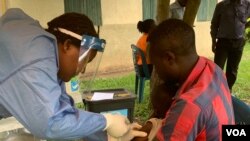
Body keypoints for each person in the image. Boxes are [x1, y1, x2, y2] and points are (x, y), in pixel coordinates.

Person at [0, 8, 146, 141]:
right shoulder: (35, 55)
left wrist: (108, 137)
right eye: (85, 60)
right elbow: (51, 123)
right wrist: (106, 121)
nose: (82, 70)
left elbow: (68, 114)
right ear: (67, 45)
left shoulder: (50, 59)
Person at [138, 19, 235, 141]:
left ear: (169, 59)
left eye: (156, 66)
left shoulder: (189, 106)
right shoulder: (213, 68)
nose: (156, 72)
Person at [210, 0, 250, 92]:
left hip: (239, 42)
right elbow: (214, 24)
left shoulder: (247, 5)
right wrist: (213, 41)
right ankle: (215, 91)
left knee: (233, 70)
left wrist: (245, 26)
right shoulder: (221, 5)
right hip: (223, 42)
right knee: (217, 69)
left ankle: (228, 91)